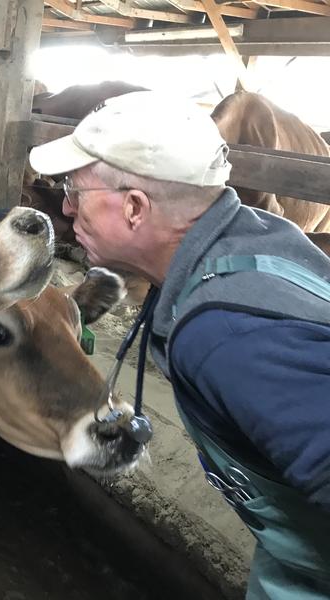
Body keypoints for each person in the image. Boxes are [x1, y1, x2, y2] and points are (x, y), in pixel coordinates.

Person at [29, 91, 330, 599]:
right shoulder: (249, 238)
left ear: (134, 207)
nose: (65, 206)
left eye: (75, 190)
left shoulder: (227, 333)